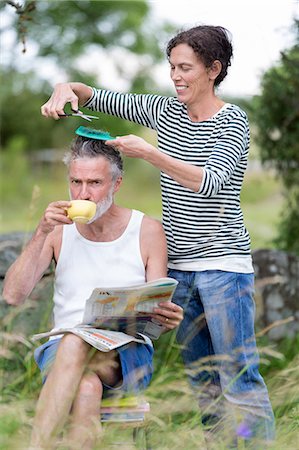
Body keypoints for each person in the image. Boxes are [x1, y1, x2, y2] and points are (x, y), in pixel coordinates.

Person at [40, 25, 275, 446]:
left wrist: (149, 152)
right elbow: (94, 94)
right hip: (178, 274)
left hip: (222, 266)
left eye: (185, 68)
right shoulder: (163, 111)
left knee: (237, 375)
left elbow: (210, 182)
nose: (176, 76)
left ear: (213, 69)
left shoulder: (233, 121)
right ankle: (222, 443)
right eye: (172, 67)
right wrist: (64, 89)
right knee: (203, 379)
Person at [2, 135, 183, 450]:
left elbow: (156, 316)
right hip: (60, 354)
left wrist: (165, 317)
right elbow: (13, 296)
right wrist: (42, 232)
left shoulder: (148, 230)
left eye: (95, 183)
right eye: (76, 182)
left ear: (116, 183)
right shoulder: (58, 229)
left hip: (126, 354)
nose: (83, 193)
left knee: (75, 340)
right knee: (85, 388)